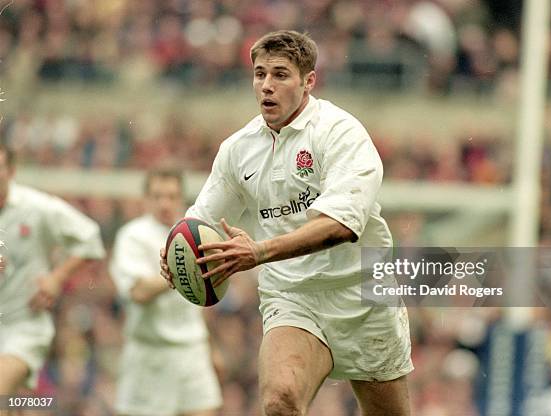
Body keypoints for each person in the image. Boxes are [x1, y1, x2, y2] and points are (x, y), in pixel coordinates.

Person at [161, 30, 413, 416]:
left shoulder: (340, 133)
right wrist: (177, 253)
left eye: (280, 74)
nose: (266, 85)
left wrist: (258, 251)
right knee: (280, 401)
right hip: (292, 296)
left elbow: (339, 227)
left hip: (363, 294)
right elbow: (200, 220)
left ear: (308, 81)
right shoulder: (238, 149)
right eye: (259, 74)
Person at [111, 168, 222, 416]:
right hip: (149, 354)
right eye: (157, 196)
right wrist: (179, 271)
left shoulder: (197, 233)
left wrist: (212, 347)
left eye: (171, 196)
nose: (164, 203)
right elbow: (138, 292)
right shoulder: (132, 236)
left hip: (192, 350)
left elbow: (201, 297)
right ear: (146, 199)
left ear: (182, 198)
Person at [0, 143, 105, 395]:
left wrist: (58, 277)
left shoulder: (36, 207)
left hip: (23, 326)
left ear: (12, 171)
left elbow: (90, 237)